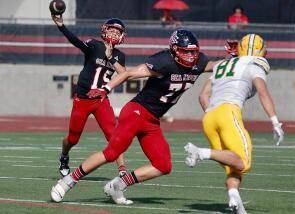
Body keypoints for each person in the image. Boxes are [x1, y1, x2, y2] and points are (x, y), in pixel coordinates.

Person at [50, 29, 220, 205]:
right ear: (174, 50)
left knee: (163, 165)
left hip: (152, 120)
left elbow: (220, 65)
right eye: (186, 51)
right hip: (136, 112)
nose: (191, 56)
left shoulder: (199, 63)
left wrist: (241, 58)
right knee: (111, 153)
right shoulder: (163, 61)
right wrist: (105, 89)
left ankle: (118, 184)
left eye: (193, 51)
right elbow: (129, 73)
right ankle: (67, 181)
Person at [184, 34, 284, 214]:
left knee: (233, 165)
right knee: (244, 162)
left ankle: (234, 198)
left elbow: (203, 96)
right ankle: (201, 153)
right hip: (228, 112)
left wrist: (212, 114)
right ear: (261, 51)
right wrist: (275, 121)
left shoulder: (223, 64)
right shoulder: (254, 64)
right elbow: (263, 92)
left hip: (209, 118)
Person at [51, 15, 128, 177]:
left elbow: (123, 74)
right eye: (111, 30)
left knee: (114, 136)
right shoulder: (94, 45)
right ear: (104, 31)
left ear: (122, 36)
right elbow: (77, 43)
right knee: (73, 139)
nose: (114, 34)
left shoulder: (120, 55)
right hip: (83, 99)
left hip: (101, 100)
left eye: (117, 32)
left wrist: (109, 56)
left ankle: (122, 171)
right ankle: (64, 156)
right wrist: (62, 26)